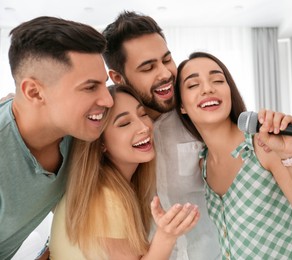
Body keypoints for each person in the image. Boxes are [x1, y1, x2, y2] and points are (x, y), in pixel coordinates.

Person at [174, 52, 292, 259]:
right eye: (193, 85)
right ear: (182, 106)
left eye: (218, 80)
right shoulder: (203, 164)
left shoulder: (262, 145)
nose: (208, 88)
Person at [102, 11, 220, 259]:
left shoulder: (198, 114)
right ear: (117, 77)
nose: (165, 73)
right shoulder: (109, 137)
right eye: (148, 67)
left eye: (167, 60)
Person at [0, 16, 113, 260]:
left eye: (104, 84)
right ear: (35, 92)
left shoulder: (79, 131)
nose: (108, 100)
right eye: (89, 87)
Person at [49, 84, 200, 259]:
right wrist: (166, 236)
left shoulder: (110, 189)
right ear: (101, 144)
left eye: (143, 114)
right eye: (125, 123)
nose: (144, 127)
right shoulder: (106, 197)